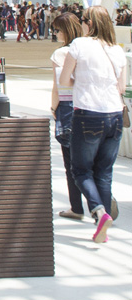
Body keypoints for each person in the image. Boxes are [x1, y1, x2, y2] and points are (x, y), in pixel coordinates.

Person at [60, 5, 126, 243]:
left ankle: (99, 211)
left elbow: (64, 80)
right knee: (104, 172)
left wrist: (82, 81)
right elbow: (121, 88)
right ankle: (102, 226)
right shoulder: (117, 50)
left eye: (83, 21)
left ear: (89, 23)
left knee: (80, 170)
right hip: (115, 115)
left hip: (88, 113)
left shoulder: (79, 45)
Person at [50, 12, 87, 221]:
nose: (55, 34)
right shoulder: (88, 50)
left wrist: (53, 107)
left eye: (57, 30)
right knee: (90, 160)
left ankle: (77, 206)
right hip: (89, 106)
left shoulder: (61, 54)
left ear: (65, 31)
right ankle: (99, 201)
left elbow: (57, 86)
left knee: (70, 162)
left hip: (67, 107)